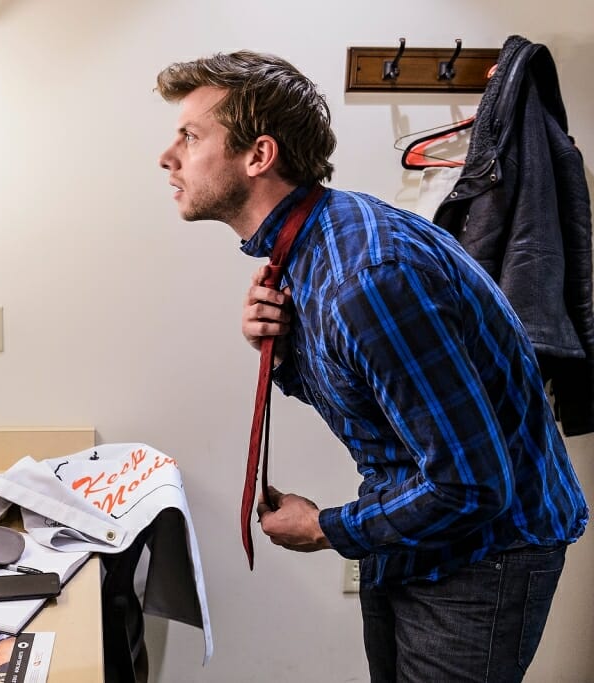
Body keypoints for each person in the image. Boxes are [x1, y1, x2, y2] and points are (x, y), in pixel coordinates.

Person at [156, 50, 588, 683]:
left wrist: (326, 528)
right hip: (419, 534)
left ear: (259, 156)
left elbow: (471, 484)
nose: (168, 157)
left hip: (483, 551)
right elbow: (378, 400)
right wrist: (281, 351)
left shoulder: (365, 275)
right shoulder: (318, 243)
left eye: (190, 136)